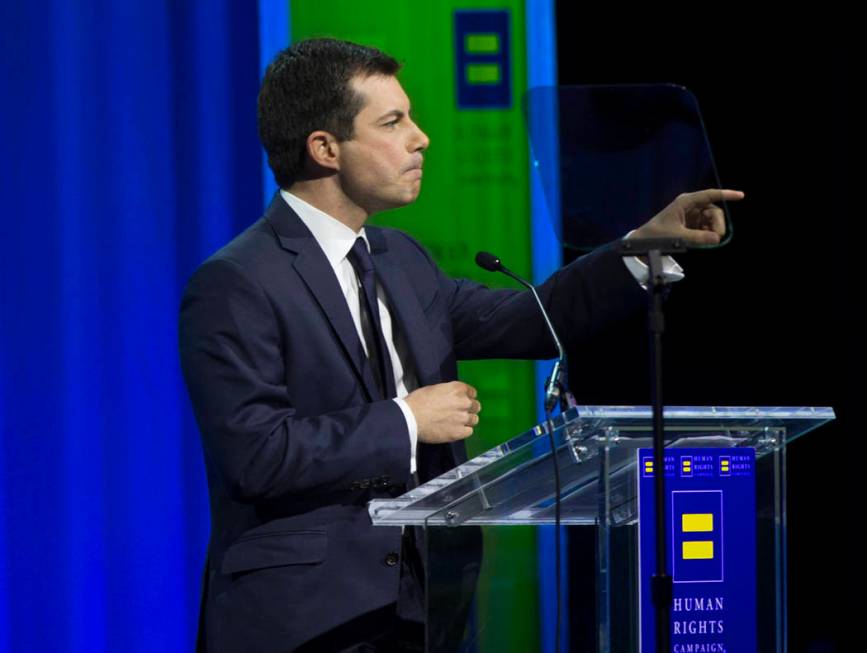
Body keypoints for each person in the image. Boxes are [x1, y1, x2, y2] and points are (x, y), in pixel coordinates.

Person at [179, 37, 742, 653]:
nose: (420, 138)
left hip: (429, 609)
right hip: (307, 620)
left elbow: (533, 318)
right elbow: (256, 454)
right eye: (393, 123)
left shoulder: (403, 260)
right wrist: (406, 419)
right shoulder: (237, 281)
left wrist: (641, 247)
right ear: (324, 148)